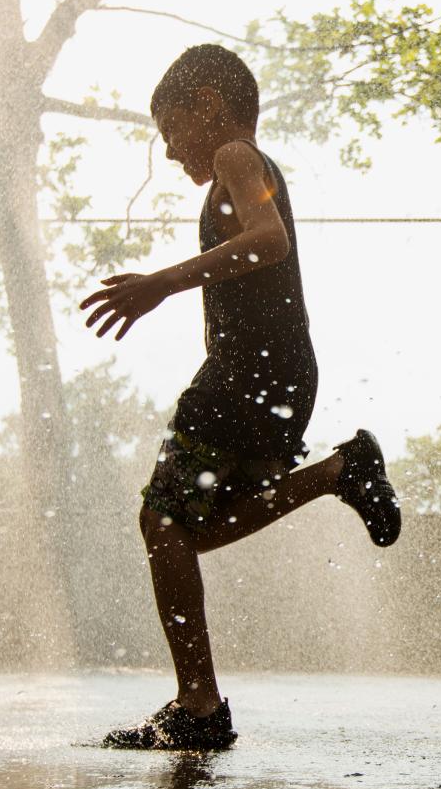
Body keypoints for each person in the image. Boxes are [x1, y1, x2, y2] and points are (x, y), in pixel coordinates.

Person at [78, 44, 401, 750]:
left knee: (162, 523)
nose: (168, 153)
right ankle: (336, 474)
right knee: (186, 530)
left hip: (245, 374)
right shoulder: (239, 168)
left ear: (207, 106)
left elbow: (269, 240)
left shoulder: (234, 158)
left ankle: (199, 705)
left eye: (169, 131)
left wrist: (160, 283)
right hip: (282, 373)